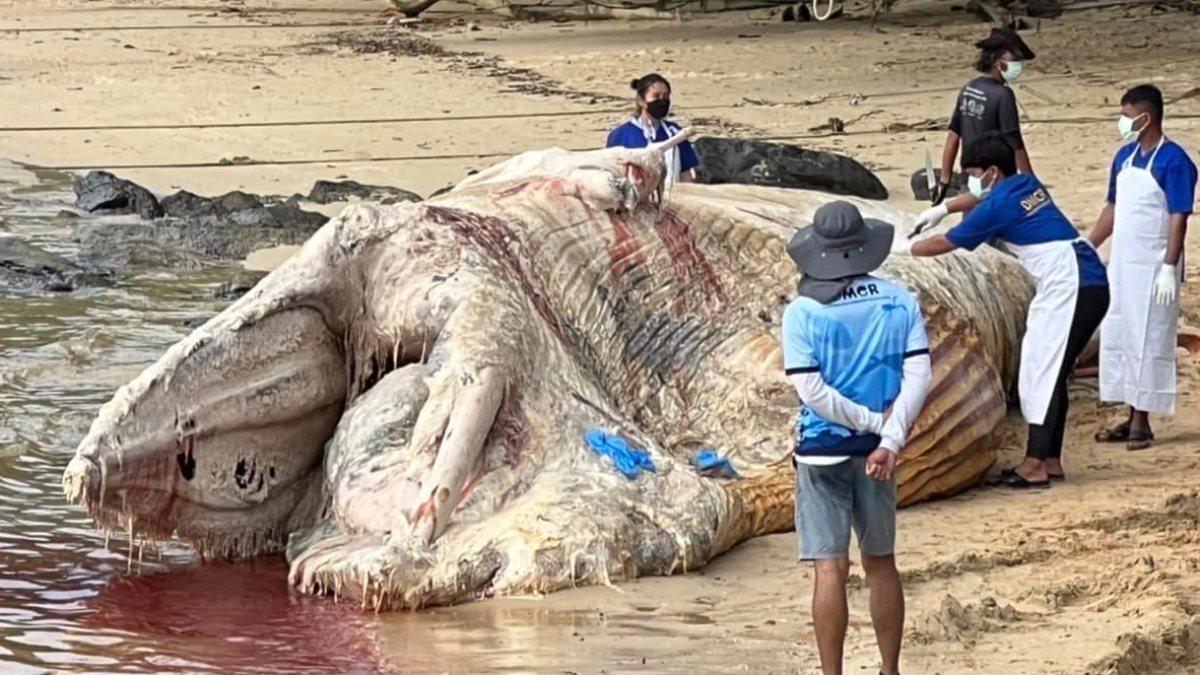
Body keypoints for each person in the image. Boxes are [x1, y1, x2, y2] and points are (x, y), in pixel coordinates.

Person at [896, 134, 1109, 487]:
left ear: (993, 172)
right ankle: (1048, 458)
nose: (972, 182)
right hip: (1085, 276)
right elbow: (981, 195)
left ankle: (1035, 463)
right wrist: (943, 208)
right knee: (1051, 369)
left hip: (1069, 284)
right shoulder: (1025, 181)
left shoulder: (999, 208)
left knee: (1041, 369)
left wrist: (905, 249)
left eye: (975, 173)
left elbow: (948, 243)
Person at [782, 201, 933, 675]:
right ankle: (890, 670)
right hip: (878, 454)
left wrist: (868, 423)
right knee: (881, 561)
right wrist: (888, 435)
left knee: (829, 568)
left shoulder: (802, 312)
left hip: (822, 452)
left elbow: (811, 390)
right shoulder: (898, 300)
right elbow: (919, 375)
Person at [1089, 84, 1198, 450]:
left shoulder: (1175, 161)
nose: (1122, 122)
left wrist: (1170, 263)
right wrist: (1089, 244)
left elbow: (1178, 216)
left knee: (1150, 336)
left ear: (1145, 117)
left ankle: (1143, 419)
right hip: (1123, 263)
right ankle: (1129, 409)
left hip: (1154, 265)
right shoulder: (1124, 158)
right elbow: (1113, 208)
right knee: (1122, 333)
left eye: (1126, 115)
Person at [928, 28, 1036, 210]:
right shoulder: (1003, 95)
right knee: (998, 233)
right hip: (996, 180)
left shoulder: (969, 88)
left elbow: (953, 136)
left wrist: (944, 180)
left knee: (971, 230)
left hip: (969, 180)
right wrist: (1030, 183)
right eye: (1014, 60)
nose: (1018, 65)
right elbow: (1016, 144)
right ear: (997, 61)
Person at [606, 73, 699, 186]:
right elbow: (611, 176)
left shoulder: (675, 132)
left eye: (665, 96)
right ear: (641, 100)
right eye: (656, 96)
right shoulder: (619, 135)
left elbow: (686, 173)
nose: (662, 101)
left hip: (673, 198)